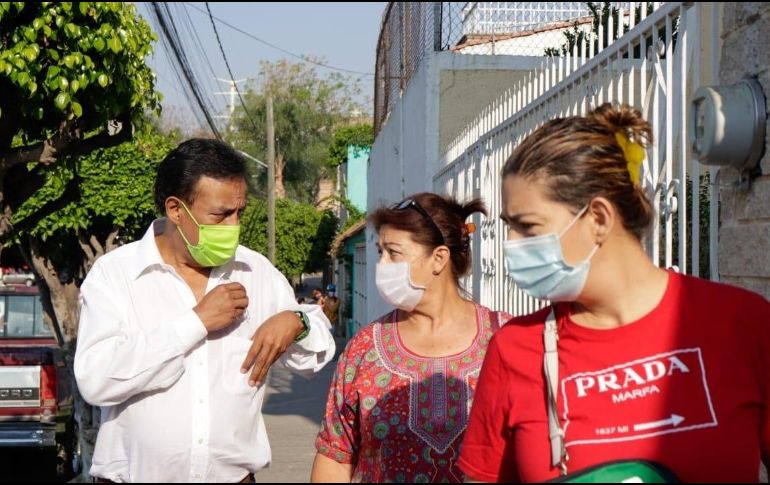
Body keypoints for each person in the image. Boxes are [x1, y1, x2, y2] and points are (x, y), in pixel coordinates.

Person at [458, 104, 770, 482]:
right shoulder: (514, 350)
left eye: (527, 226)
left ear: (599, 218)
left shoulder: (742, 323)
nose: (510, 244)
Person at [74, 139, 336, 482]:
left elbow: (314, 359)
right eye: (220, 215)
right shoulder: (116, 275)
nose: (233, 227)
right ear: (175, 209)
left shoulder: (255, 271)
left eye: (239, 213)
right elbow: (95, 381)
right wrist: (195, 323)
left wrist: (298, 322)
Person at [311, 193, 511, 483]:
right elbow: (335, 454)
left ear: (438, 258)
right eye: (380, 252)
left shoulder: (506, 338)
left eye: (393, 253)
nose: (382, 264)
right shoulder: (365, 347)